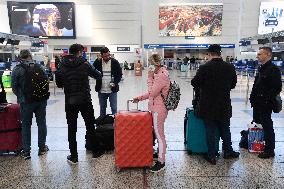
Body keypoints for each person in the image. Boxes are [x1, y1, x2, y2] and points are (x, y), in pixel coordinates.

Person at [191, 44, 239, 165]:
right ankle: (228, 151)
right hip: (224, 103)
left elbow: (194, 82)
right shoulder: (229, 67)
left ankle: (211, 155)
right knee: (225, 129)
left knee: (210, 130)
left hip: (208, 104)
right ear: (220, 53)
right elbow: (233, 85)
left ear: (209, 54)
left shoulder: (204, 67)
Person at [55, 44, 102, 164]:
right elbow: (98, 75)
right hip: (85, 100)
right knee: (90, 125)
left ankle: (74, 156)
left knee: (72, 128)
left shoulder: (61, 64)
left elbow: (59, 84)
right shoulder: (84, 63)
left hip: (70, 101)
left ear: (70, 52)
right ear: (80, 52)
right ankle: (96, 152)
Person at [132, 54, 170, 173]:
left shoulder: (161, 76)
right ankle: (159, 154)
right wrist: (139, 98)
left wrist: (149, 78)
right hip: (156, 107)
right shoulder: (160, 74)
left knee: (159, 135)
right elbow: (153, 93)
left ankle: (161, 161)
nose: (150, 67)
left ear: (156, 64)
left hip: (159, 110)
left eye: (151, 64)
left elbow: (152, 92)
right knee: (158, 133)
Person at [11, 49, 49, 160]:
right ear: (30, 56)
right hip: (41, 100)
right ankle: (42, 148)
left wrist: (21, 96)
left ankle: (26, 151)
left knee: (26, 126)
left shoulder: (17, 69)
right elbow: (45, 81)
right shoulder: (40, 67)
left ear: (20, 57)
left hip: (26, 102)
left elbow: (14, 88)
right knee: (41, 123)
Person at [250, 47, 282, 159]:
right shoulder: (261, 68)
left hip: (265, 103)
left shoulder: (273, 69)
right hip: (257, 102)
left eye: (260, 54)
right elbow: (257, 85)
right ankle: (258, 144)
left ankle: (269, 150)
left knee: (267, 125)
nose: (257, 56)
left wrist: (266, 99)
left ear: (268, 55)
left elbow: (277, 87)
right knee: (258, 123)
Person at [93, 47, 122, 116]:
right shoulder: (98, 62)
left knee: (114, 108)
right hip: (101, 90)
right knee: (102, 108)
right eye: (105, 56)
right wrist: (97, 60)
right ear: (101, 55)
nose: (108, 57)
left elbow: (119, 75)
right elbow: (92, 70)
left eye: (108, 55)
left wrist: (115, 83)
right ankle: (102, 124)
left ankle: (115, 124)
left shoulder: (115, 62)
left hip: (112, 90)